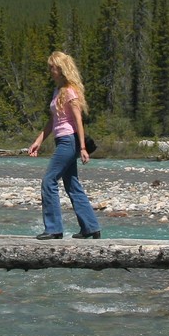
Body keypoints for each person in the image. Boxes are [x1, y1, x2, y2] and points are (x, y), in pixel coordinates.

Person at [26, 51, 102, 240]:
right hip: (62, 140)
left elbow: (78, 121)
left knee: (49, 181)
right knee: (72, 184)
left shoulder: (70, 91)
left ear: (62, 69)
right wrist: (38, 141)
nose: (51, 70)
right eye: (50, 67)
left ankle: (54, 229)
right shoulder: (57, 91)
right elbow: (53, 121)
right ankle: (90, 228)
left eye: (54, 67)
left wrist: (83, 147)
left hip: (69, 140)